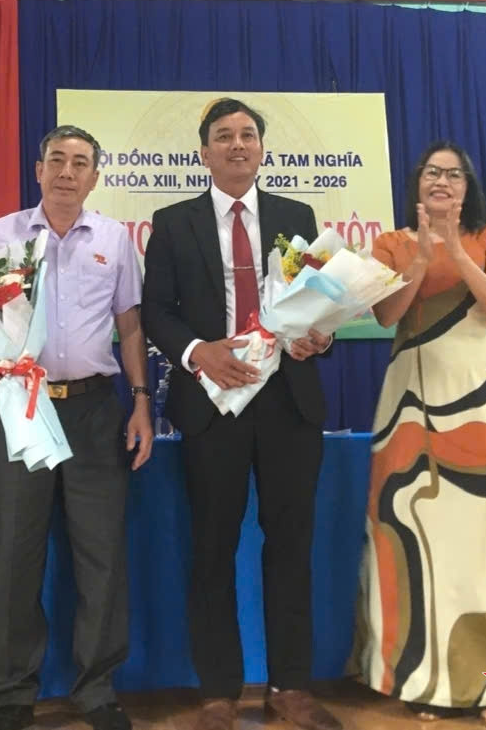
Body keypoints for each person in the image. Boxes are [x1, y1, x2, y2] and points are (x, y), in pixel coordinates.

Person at [142, 98, 342, 730]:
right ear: (203, 152)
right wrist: (200, 353)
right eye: (223, 136)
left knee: (290, 546)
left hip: (288, 401)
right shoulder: (172, 223)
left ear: (261, 149)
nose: (236, 145)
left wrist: (319, 337)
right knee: (212, 549)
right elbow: (157, 311)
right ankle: (218, 693)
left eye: (247, 135)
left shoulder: (296, 216)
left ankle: (290, 687)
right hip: (213, 402)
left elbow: (316, 305)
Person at [0, 125, 153, 730]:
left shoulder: (115, 239)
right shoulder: (3, 234)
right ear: (38, 169)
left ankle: (96, 691)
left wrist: (143, 401)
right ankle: (10, 697)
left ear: (96, 176)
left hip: (97, 410)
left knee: (100, 554)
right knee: (16, 552)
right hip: (23, 405)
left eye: (81, 163)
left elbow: (130, 328)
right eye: (58, 161)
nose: (68, 172)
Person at [355, 141, 486, 727]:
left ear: (467, 187)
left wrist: (456, 250)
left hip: (485, 408)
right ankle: (422, 678)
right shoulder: (391, 242)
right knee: (413, 537)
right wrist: (419, 257)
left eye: (453, 174)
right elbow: (385, 315)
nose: (442, 181)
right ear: (417, 182)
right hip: (409, 404)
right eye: (433, 172)